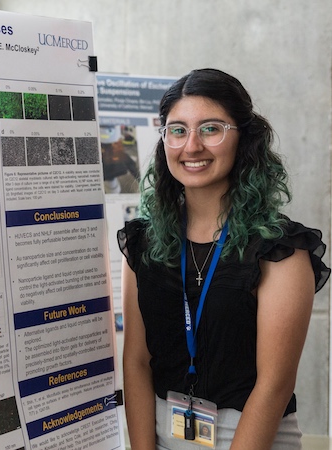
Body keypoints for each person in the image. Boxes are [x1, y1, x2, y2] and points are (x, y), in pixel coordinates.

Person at [118, 68, 330, 449]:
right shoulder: (143, 242)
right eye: (178, 130)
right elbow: (136, 362)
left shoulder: (280, 249)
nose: (192, 146)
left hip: (251, 437)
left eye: (211, 128)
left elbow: (274, 385)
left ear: (243, 138)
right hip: (161, 433)